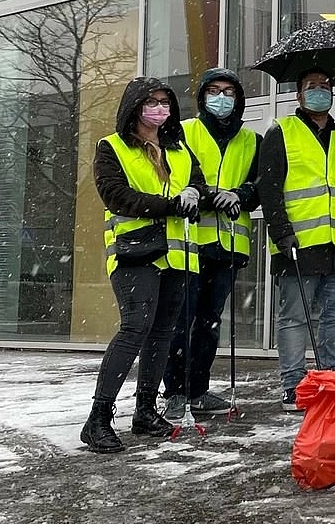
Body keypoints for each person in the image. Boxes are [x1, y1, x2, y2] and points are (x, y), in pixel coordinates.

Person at [82, 77, 210, 453]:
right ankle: (99, 418)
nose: (159, 109)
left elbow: (198, 186)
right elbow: (116, 196)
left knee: (162, 332)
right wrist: (171, 203)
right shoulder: (112, 147)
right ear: (134, 107)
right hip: (134, 252)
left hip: (178, 253)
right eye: (150, 101)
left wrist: (194, 192)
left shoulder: (179, 147)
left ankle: (145, 410)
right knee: (136, 327)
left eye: (164, 102)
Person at [259, 69, 335, 411]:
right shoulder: (282, 132)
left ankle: (333, 376)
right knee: (294, 318)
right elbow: (269, 190)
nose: (320, 91)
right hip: (298, 245)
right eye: (311, 87)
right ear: (299, 96)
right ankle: (293, 384)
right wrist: (281, 233)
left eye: (325, 85)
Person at [162, 69, 260, 421]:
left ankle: (198, 389)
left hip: (230, 243)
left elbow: (260, 184)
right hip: (191, 241)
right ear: (202, 97)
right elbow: (178, 177)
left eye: (229, 92)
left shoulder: (251, 139)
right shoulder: (185, 132)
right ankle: (173, 390)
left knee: (210, 320)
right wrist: (209, 195)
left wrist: (240, 194)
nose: (222, 98)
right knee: (180, 318)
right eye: (215, 91)